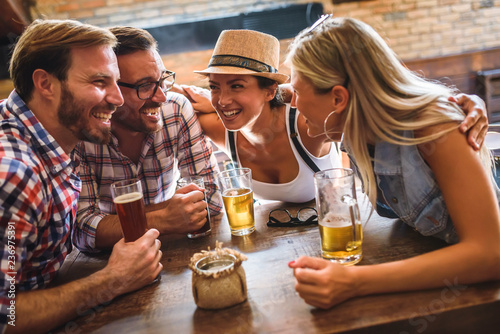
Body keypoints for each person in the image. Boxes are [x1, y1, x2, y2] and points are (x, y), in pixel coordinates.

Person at [286, 16, 500, 308]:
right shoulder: (353, 126)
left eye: (297, 92)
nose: (292, 103)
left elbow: (489, 254)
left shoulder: (434, 127)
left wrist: (354, 283)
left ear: (338, 98)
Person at [179, 30, 490, 204]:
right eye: (214, 87)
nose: (221, 99)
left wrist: (462, 102)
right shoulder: (352, 132)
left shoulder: (317, 126)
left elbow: (488, 253)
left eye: (236, 85)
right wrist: (215, 99)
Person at [0, 20, 162, 333]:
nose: (117, 99)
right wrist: (112, 281)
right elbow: (5, 316)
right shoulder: (14, 175)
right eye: (100, 82)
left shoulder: (50, 131)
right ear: (46, 84)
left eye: (117, 82)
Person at [73, 26, 223, 252]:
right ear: (109, 88)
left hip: (172, 252)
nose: (161, 96)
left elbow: (210, 200)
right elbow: (84, 231)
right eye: (144, 86)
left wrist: (115, 222)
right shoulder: (81, 132)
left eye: (162, 80)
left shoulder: (176, 109)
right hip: (109, 262)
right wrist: (164, 218)